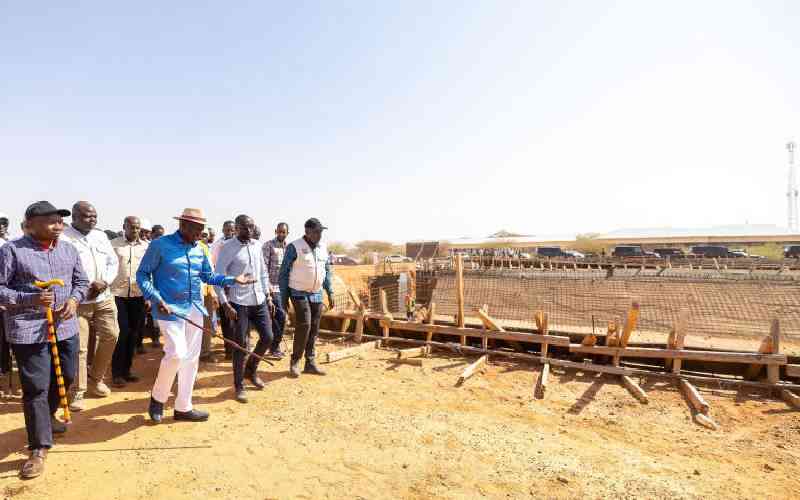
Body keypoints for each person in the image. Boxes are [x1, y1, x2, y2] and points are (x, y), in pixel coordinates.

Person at [137, 208, 254, 423]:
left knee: (191, 359)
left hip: (194, 308)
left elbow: (208, 276)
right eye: (197, 229)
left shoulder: (200, 249)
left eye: (202, 228)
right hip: (168, 308)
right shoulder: (160, 245)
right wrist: (155, 298)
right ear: (183, 226)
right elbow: (142, 274)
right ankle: (158, 398)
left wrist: (233, 280)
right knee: (176, 353)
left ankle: (183, 407)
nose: (201, 233)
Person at [0, 201, 89, 479]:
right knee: (36, 386)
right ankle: (39, 447)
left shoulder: (68, 249)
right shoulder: (12, 250)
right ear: (30, 223)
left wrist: (74, 301)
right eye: (51, 221)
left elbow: (81, 283)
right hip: (28, 329)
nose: (59, 225)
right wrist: (31, 299)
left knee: (69, 375)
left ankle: (47, 419)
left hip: (65, 327)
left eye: (60, 221)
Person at [62, 201, 120, 411]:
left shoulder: (101, 236)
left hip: (103, 296)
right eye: (87, 216)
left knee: (111, 335)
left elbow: (113, 262)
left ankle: (96, 380)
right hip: (78, 300)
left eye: (94, 216)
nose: (92, 220)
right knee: (80, 347)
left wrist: (104, 281)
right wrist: (84, 287)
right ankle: (77, 391)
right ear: (74, 217)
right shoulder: (63, 237)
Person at [215, 215, 273, 402]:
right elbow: (218, 277)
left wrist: (268, 295)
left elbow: (263, 273)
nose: (249, 231)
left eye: (251, 227)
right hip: (238, 303)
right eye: (244, 228)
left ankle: (251, 370)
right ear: (237, 228)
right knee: (240, 346)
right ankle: (239, 385)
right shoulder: (227, 248)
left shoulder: (257, 245)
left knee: (268, 337)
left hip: (259, 299)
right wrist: (225, 303)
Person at [278, 218, 334, 378]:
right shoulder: (294, 247)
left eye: (321, 232)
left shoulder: (323, 248)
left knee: (314, 327)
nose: (319, 235)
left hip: (316, 292)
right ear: (307, 231)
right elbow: (283, 273)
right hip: (298, 292)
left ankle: (310, 363)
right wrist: (284, 298)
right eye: (316, 232)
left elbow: (327, 271)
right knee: (305, 325)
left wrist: (330, 292)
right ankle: (295, 361)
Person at [109, 217, 148, 387]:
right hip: (117, 294)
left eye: (137, 228)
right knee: (122, 333)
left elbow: (149, 272)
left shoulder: (146, 247)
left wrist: (149, 296)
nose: (135, 230)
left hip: (138, 295)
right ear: (124, 227)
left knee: (133, 334)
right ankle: (117, 373)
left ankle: (127, 370)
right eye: (131, 227)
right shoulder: (113, 244)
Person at [262, 222, 289, 358]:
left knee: (281, 318)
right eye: (279, 232)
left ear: (287, 233)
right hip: (273, 287)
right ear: (275, 231)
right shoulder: (268, 246)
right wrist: (268, 289)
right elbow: (263, 269)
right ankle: (274, 347)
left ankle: (273, 345)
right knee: (281, 316)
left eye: (284, 232)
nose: (281, 234)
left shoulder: (289, 248)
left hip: (286, 288)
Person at [211, 220, 236, 358]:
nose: (230, 233)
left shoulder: (240, 244)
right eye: (227, 230)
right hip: (223, 285)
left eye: (232, 230)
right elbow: (213, 265)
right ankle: (229, 350)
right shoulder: (217, 245)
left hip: (238, 286)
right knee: (227, 320)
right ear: (223, 230)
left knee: (239, 318)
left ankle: (238, 347)